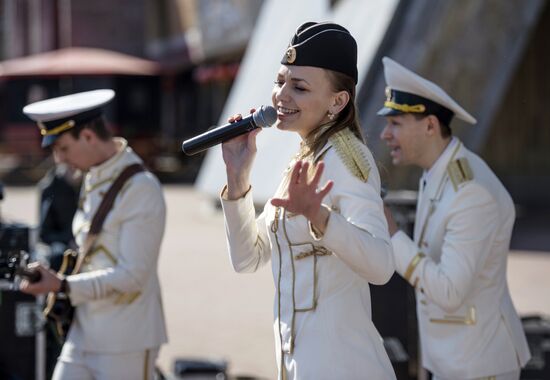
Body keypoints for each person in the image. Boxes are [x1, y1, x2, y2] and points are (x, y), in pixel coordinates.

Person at [220, 22, 396, 379]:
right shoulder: (303, 159)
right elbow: (247, 258)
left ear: (338, 101)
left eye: (299, 87)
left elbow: (381, 265)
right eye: (280, 81)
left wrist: (322, 219)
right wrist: (237, 179)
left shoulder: (349, 159)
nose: (281, 95)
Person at [379, 57, 531, 380]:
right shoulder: (440, 173)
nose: (384, 134)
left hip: (479, 365)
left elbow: (449, 291)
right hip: (454, 359)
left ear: (430, 126)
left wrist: (393, 236)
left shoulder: (470, 192)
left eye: (395, 123)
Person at [20, 89, 167, 380]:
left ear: (87, 136)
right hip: (83, 331)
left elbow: (133, 275)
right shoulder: (94, 175)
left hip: (125, 340)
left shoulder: (140, 188)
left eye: (62, 148)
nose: (59, 159)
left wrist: (62, 285)